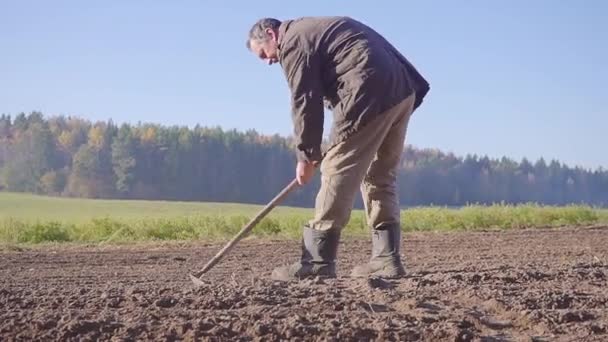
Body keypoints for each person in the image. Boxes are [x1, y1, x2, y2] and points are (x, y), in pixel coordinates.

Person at [246, 16, 430, 280]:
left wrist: (306, 156)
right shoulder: (315, 30)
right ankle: (387, 260)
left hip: (368, 90)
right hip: (401, 90)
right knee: (379, 176)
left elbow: (304, 100)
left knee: (336, 169)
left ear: (271, 34)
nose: (268, 62)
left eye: (264, 54)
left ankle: (317, 262)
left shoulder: (294, 41)